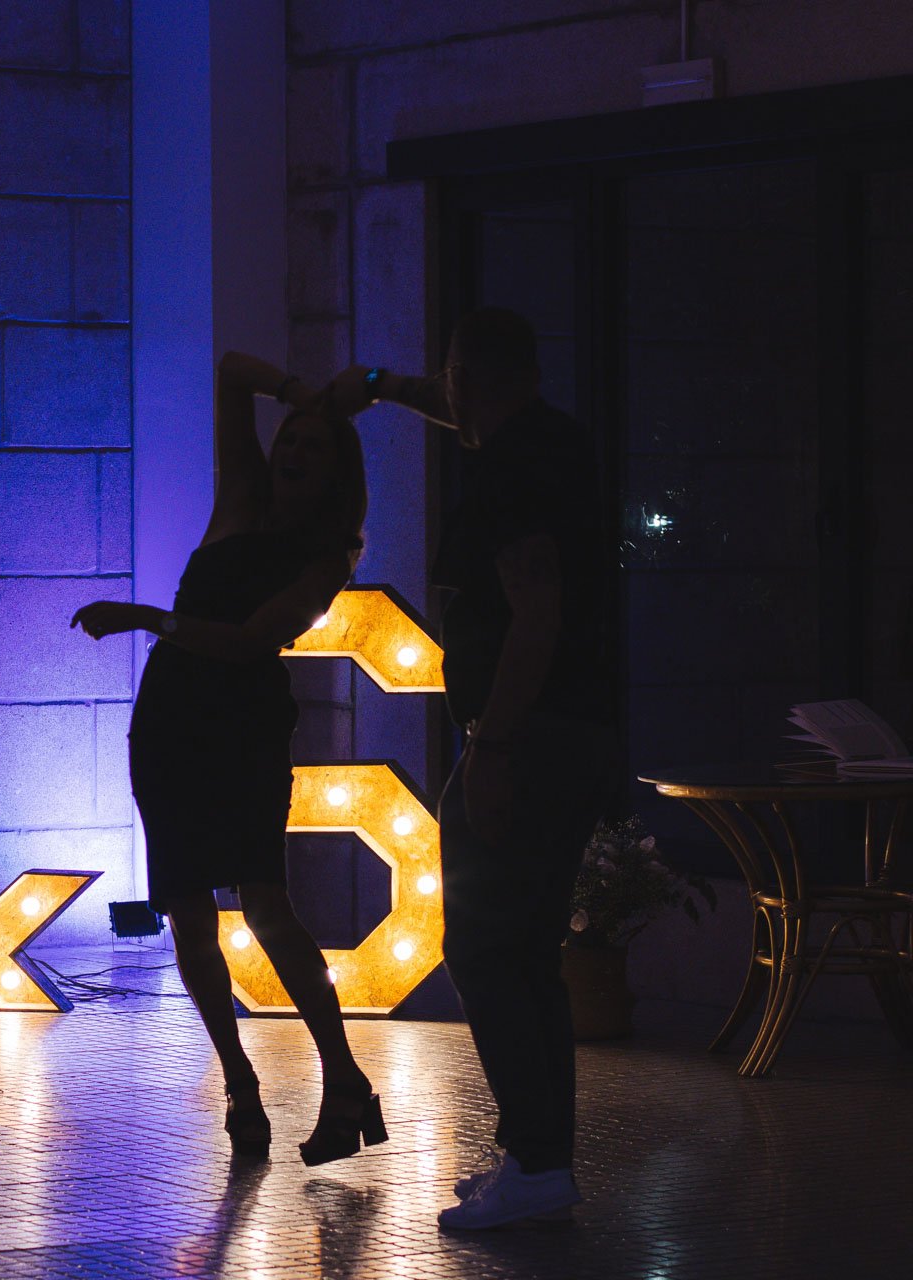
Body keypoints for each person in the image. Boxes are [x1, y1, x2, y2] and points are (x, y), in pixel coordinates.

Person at [319, 308, 620, 1230]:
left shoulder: (512, 470)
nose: (443, 392)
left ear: (465, 377)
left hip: (524, 740)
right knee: (526, 955)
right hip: (563, 733)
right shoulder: (552, 441)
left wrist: (493, 748)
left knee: (488, 951)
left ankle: (537, 1162)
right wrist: (380, 388)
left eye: (447, 374)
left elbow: (536, 613)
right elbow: (465, 410)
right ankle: (538, 1158)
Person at [71, 351, 383, 1166]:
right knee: (186, 908)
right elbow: (230, 371)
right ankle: (240, 1083)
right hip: (171, 721)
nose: (294, 452)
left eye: (315, 447)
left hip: (242, 724)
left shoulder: (327, 559)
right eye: (291, 439)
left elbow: (249, 642)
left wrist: (150, 619)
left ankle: (344, 1077)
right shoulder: (240, 495)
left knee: (268, 905)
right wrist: (305, 393)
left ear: (338, 473)